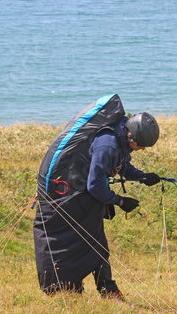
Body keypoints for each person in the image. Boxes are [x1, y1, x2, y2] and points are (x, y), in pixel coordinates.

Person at [34, 111, 161, 300]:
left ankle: (83, 288)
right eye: (141, 145)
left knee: (92, 243)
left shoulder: (121, 140)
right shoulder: (107, 144)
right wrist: (120, 201)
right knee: (92, 244)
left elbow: (121, 166)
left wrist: (142, 176)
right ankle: (104, 290)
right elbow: (95, 185)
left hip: (83, 194)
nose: (142, 149)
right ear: (130, 135)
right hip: (72, 196)